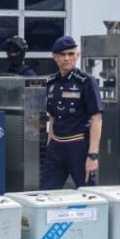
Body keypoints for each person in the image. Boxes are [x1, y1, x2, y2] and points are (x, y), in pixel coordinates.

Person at [41, 36, 102, 189]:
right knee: (46, 193)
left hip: (78, 145)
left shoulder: (86, 81)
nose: (66, 58)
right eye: (62, 54)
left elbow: (97, 118)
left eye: (70, 54)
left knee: (88, 193)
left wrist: (93, 155)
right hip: (56, 147)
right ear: (54, 57)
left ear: (77, 55)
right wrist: (50, 144)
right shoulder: (51, 82)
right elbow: (52, 117)